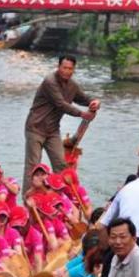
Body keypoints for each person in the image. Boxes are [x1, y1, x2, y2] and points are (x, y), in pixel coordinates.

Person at [23, 55, 100, 196]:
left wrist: (94, 102)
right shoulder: (50, 81)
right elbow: (61, 104)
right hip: (36, 128)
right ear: (59, 67)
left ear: (73, 70)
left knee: (61, 165)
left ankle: (60, 198)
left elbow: (83, 98)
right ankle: (29, 202)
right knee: (33, 167)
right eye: (64, 68)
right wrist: (83, 114)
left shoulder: (72, 86)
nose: (67, 71)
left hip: (53, 130)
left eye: (70, 69)